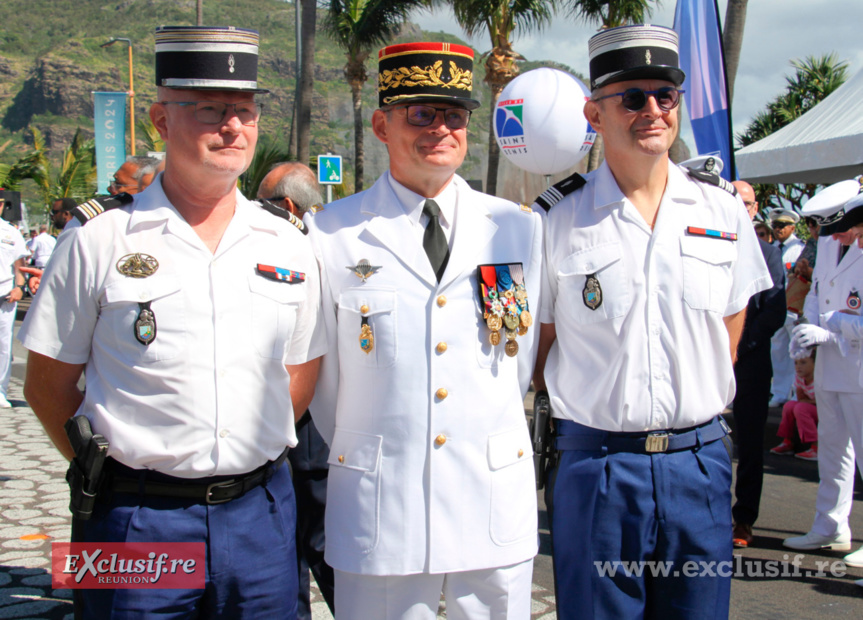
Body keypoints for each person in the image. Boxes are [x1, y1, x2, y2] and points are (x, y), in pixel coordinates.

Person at [18, 25, 325, 618]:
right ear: (161, 120)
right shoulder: (99, 240)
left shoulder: (288, 244)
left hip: (260, 512)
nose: (232, 126)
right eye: (210, 109)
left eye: (244, 111)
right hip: (137, 518)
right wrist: (112, 474)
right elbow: (47, 385)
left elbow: (300, 370)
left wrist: (240, 444)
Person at [532, 25, 770, 619]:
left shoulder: (720, 212)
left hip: (700, 463)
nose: (653, 110)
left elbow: (730, 323)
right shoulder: (554, 222)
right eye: (632, 97)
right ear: (595, 111)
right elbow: (540, 346)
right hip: (598, 466)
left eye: (666, 95)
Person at [306, 42, 542, 620]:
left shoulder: (516, 228)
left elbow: (516, 360)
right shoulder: (332, 234)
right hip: (382, 502)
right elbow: (327, 386)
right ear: (381, 124)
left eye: (454, 115)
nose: (440, 128)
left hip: (489, 494)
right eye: (420, 114)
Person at [257, 162, 335, 619]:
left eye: (263, 202)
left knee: (314, 548)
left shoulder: (317, 247)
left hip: (304, 433)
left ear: (288, 207)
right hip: (299, 432)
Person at [783, 179, 862, 567]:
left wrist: (830, 326)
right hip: (832, 365)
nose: (838, 235)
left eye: (842, 226)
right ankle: (831, 525)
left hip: (859, 368)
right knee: (832, 452)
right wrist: (807, 332)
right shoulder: (831, 243)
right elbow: (816, 292)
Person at [729, 179, 787, 549]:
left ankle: (743, 519)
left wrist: (737, 348)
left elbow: (773, 313)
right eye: (735, 200)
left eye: (748, 204)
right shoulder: (702, 240)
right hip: (704, 359)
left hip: (748, 360)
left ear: (755, 211)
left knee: (749, 444)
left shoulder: (768, 254)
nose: (743, 208)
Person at [768, 208, 806, 407]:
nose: (778, 229)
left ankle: (795, 391)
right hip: (776, 306)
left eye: (782, 225)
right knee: (778, 350)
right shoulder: (771, 248)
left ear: (792, 226)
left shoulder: (799, 248)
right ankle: (780, 392)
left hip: (793, 308)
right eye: (775, 225)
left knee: (796, 350)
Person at [0, 216, 27, 408]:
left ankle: (0, 390)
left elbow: (20, 266)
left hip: (4, 297)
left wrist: (19, 287)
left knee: (3, 346)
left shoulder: (11, 232)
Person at [771, 352, 818, 459]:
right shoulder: (799, 377)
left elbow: (823, 402)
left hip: (824, 411)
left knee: (800, 408)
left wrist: (807, 403)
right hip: (812, 406)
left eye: (803, 363)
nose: (798, 366)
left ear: (815, 363)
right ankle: (787, 442)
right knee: (789, 406)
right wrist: (807, 402)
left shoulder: (819, 378)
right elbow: (801, 398)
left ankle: (816, 448)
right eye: (796, 363)